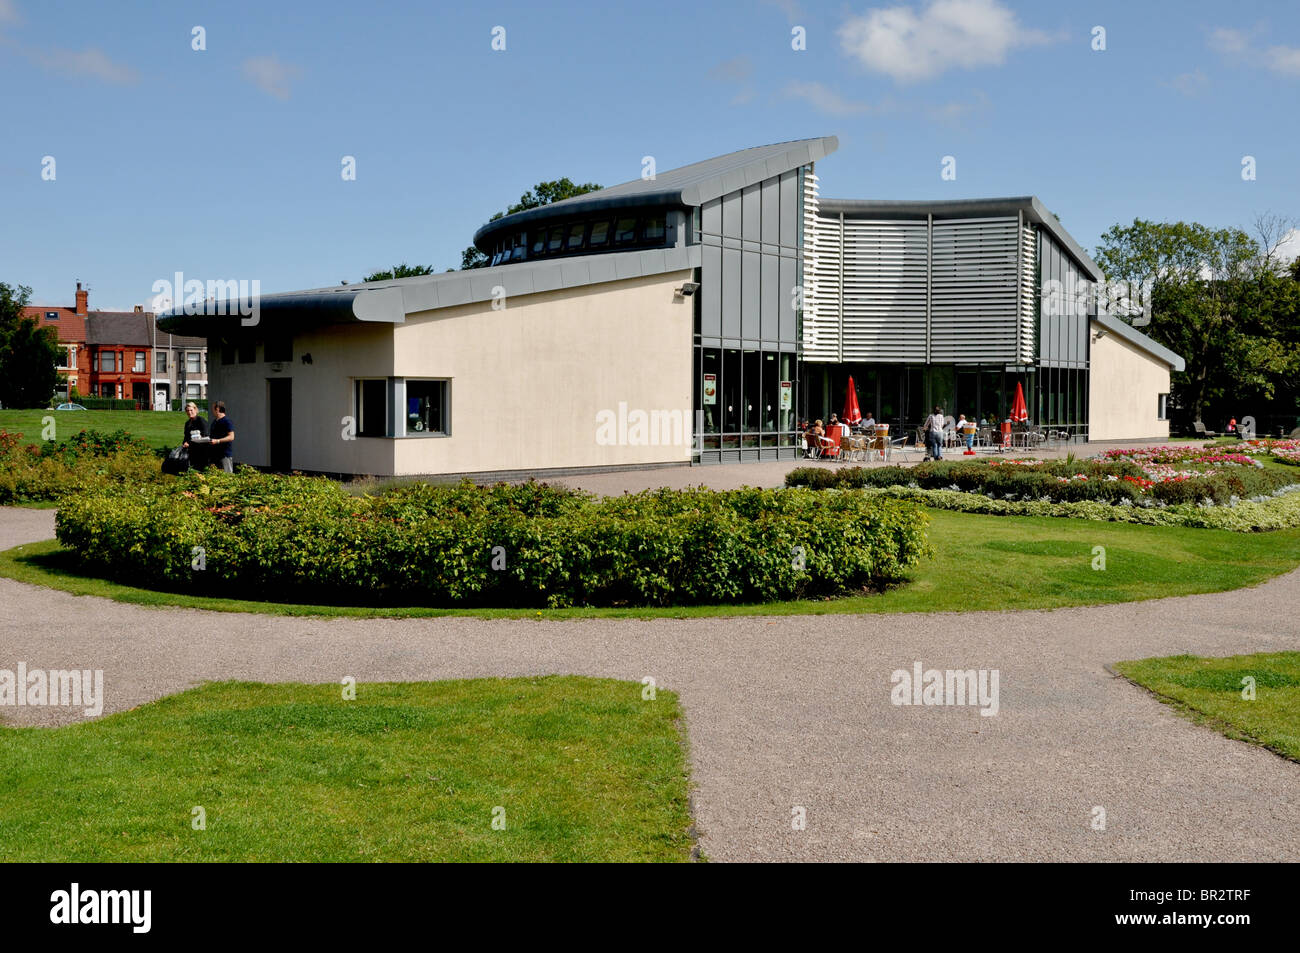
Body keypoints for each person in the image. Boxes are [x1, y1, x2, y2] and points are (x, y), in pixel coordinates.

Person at [208, 400, 236, 472]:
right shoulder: (214, 422)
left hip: (224, 455)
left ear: (217, 409)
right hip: (214, 455)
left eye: (213, 408)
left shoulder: (227, 421)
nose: (212, 410)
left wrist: (217, 441)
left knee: (227, 477)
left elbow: (231, 437)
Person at [181, 402, 208, 470]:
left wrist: (189, 443)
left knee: (200, 470)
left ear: (195, 410)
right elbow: (186, 436)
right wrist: (184, 443)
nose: (189, 412)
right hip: (191, 452)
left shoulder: (201, 420)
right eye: (187, 411)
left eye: (191, 410)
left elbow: (204, 435)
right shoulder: (187, 423)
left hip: (201, 451)